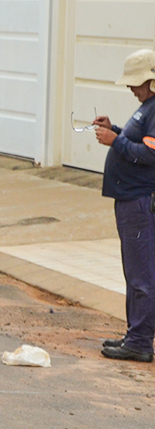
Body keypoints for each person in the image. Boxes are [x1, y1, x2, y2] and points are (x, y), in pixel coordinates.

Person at [93, 49, 155, 364]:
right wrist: (116, 130)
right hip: (132, 201)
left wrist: (114, 141)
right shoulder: (147, 108)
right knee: (134, 272)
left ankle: (141, 341)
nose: (131, 88)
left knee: (142, 274)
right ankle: (136, 335)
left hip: (141, 203)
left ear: (151, 80)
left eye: (136, 82)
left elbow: (150, 154)